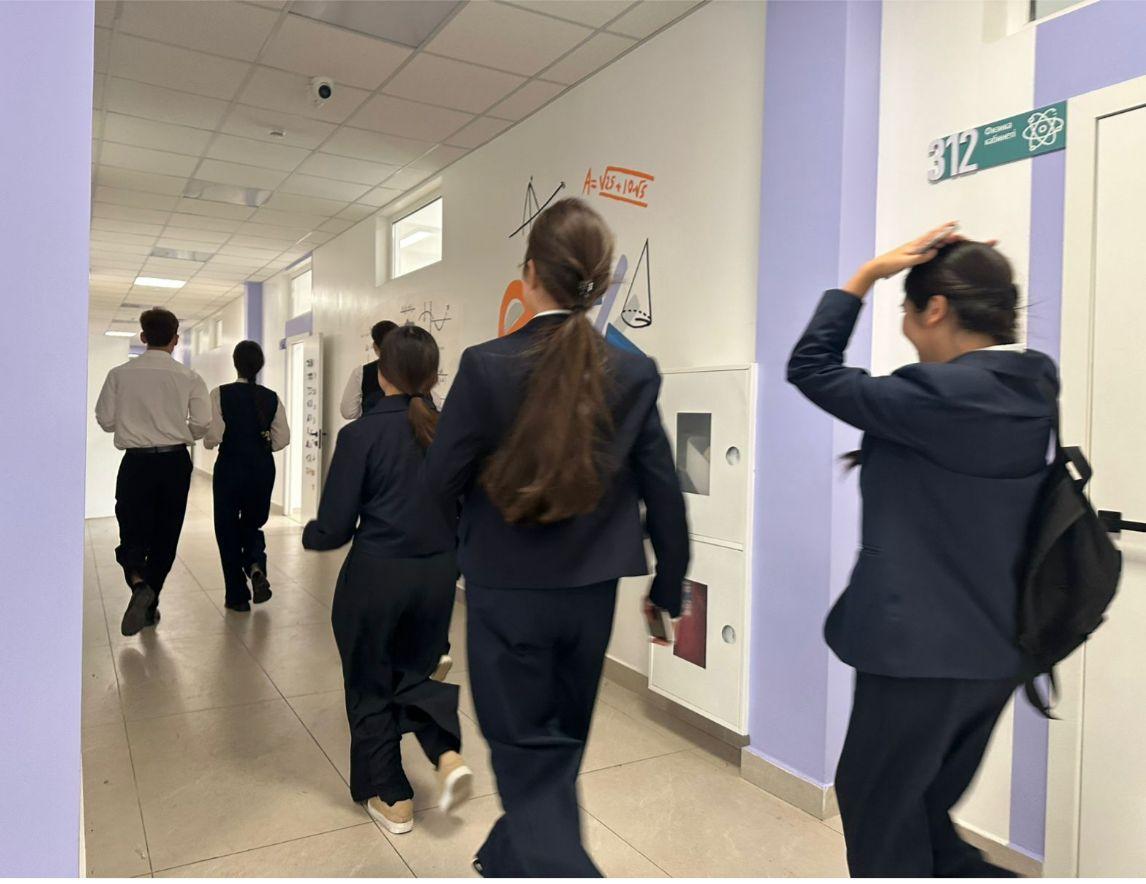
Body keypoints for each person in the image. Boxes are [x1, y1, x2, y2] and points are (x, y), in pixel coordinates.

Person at [423, 198, 689, 877]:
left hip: (505, 594)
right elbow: (662, 487)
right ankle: (507, 857)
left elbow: (439, 484)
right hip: (589, 600)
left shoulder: (486, 366)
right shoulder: (632, 371)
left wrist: (456, 553)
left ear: (531, 273)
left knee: (525, 758)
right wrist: (667, 587)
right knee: (557, 749)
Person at [787, 225, 1057, 877]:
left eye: (906, 309)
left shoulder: (940, 396)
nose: (905, 326)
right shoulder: (1031, 387)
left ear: (935, 309)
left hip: (921, 657)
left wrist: (865, 276)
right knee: (924, 815)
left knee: (881, 817)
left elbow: (811, 368)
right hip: (999, 652)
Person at [303, 325, 472, 835]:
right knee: (413, 672)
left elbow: (335, 528)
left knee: (370, 681)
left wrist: (310, 535)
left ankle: (393, 797)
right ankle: (443, 751)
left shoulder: (361, 436)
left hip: (378, 576)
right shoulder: (454, 433)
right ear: (435, 375)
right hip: (439, 576)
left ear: (381, 373)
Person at [96, 307, 211, 636]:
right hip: (175, 463)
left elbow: (105, 419)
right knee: (166, 533)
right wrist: (179, 432)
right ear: (176, 339)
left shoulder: (119, 375)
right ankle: (150, 601)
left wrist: (133, 424)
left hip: (136, 462)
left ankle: (138, 584)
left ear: (143, 337)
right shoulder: (189, 377)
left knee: (132, 530)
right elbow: (203, 422)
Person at [203, 341, 290, 612]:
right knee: (252, 523)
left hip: (230, 466)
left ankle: (237, 596)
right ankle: (254, 564)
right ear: (260, 365)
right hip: (262, 468)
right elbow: (282, 439)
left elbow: (213, 436)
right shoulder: (271, 397)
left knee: (227, 528)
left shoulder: (220, 394)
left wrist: (212, 442)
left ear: (235, 363)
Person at [340, 319, 398, 420]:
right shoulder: (414, 368)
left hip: (373, 425)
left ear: (375, 347)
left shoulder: (362, 372)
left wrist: (368, 409)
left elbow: (348, 412)